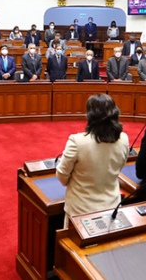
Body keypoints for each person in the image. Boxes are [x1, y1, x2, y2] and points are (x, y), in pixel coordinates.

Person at [55, 94, 129, 223]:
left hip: (80, 212)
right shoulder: (123, 138)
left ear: (90, 115)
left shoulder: (77, 141)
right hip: (111, 207)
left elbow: (62, 176)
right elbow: (120, 165)